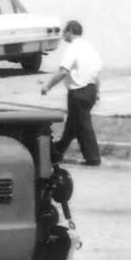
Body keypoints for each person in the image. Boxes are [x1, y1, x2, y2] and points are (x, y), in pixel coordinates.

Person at [41, 20, 103, 166]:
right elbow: (96, 73)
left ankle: (93, 158)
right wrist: (97, 92)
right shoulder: (89, 47)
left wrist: (48, 86)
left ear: (70, 31)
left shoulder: (72, 48)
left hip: (78, 92)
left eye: (64, 32)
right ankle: (56, 153)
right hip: (91, 89)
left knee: (83, 126)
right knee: (72, 126)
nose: (63, 35)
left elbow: (63, 71)